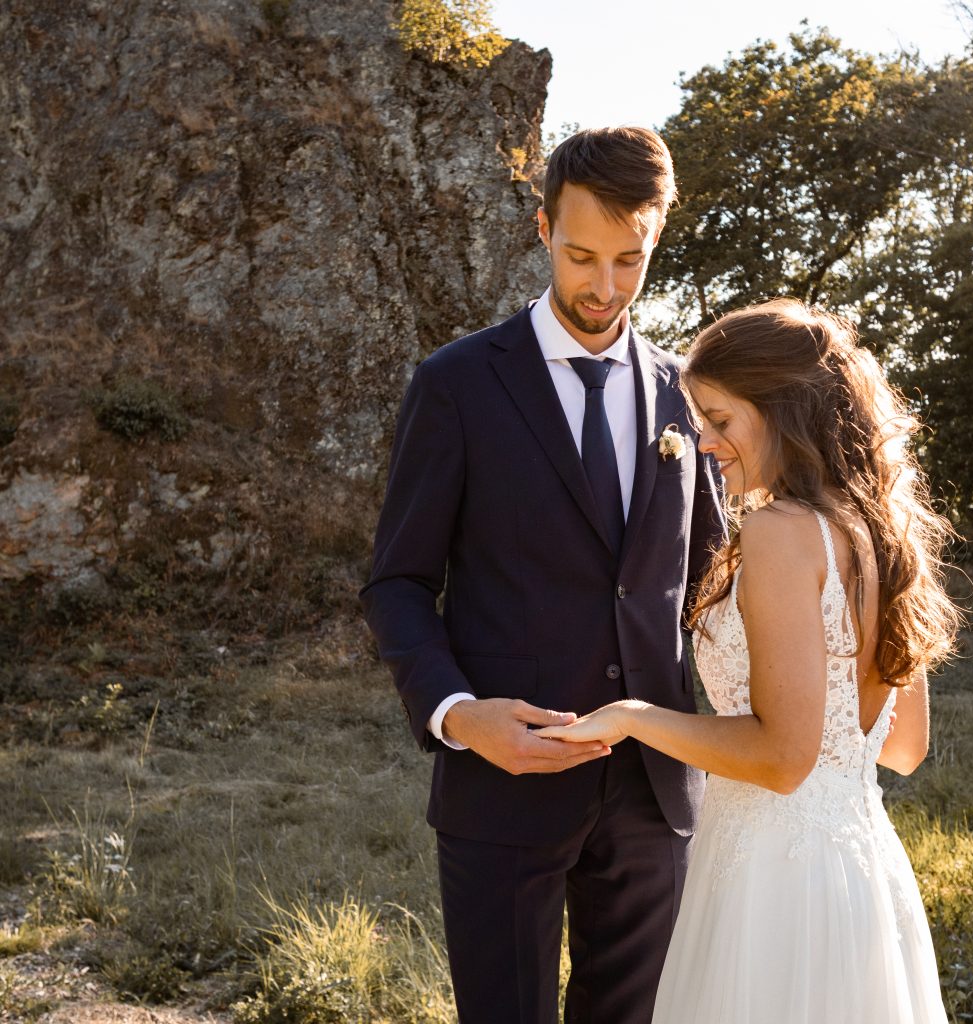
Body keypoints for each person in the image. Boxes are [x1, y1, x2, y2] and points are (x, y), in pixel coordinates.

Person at [359, 126, 724, 1024]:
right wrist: (457, 715)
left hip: (656, 790)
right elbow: (397, 582)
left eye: (630, 261)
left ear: (656, 241)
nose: (604, 288)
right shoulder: (455, 385)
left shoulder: (690, 392)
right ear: (541, 229)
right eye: (581, 255)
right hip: (502, 786)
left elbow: (717, 572)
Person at [538, 298, 961, 1023]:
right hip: (860, 872)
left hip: (775, 884)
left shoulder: (779, 532)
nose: (705, 443)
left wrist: (636, 717)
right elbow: (902, 746)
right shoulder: (879, 534)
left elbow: (782, 757)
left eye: (722, 421)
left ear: (784, 410)